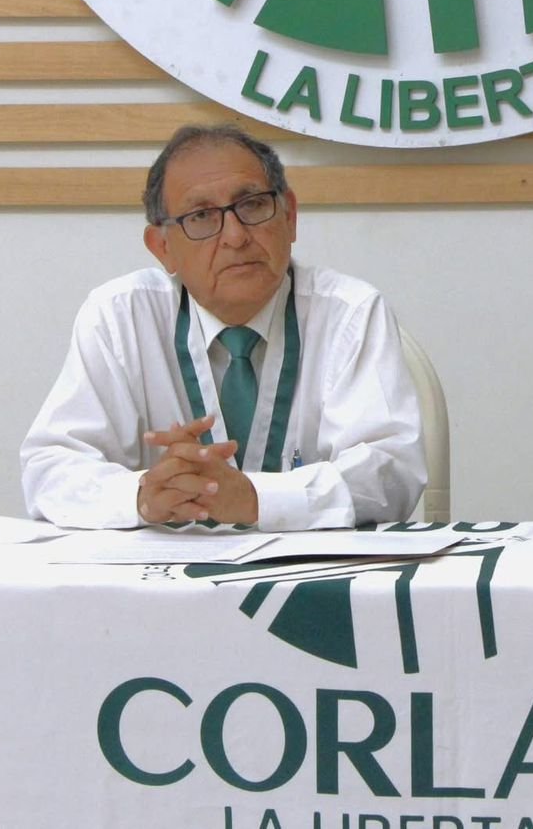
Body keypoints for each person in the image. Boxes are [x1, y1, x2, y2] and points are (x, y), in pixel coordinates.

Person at [21, 125, 426, 531]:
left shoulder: (351, 313)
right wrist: (143, 495)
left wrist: (256, 499)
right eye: (201, 217)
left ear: (289, 216)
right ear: (163, 247)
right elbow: (50, 468)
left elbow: (391, 471)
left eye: (252, 205)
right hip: (164, 568)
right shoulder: (120, 316)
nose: (235, 236)